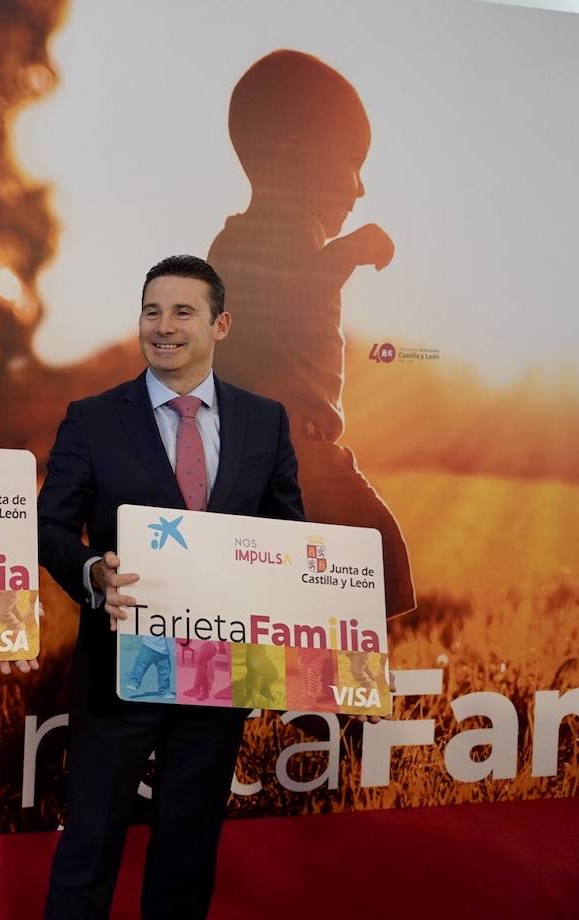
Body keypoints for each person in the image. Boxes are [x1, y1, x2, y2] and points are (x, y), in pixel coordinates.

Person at [39, 254, 304, 919]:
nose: (163, 327)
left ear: (221, 324)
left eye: (182, 312)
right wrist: (92, 572)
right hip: (119, 670)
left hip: (221, 671)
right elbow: (48, 526)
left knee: (187, 850)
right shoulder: (93, 418)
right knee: (90, 846)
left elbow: (288, 536)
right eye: (151, 311)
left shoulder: (264, 421)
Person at [207, 48, 415, 617]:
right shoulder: (260, 238)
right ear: (296, 156)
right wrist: (346, 252)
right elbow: (281, 296)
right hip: (286, 453)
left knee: (338, 588)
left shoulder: (271, 240)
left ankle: (311, 695)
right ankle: (336, 701)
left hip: (288, 449)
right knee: (371, 560)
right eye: (353, 162)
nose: (361, 188)